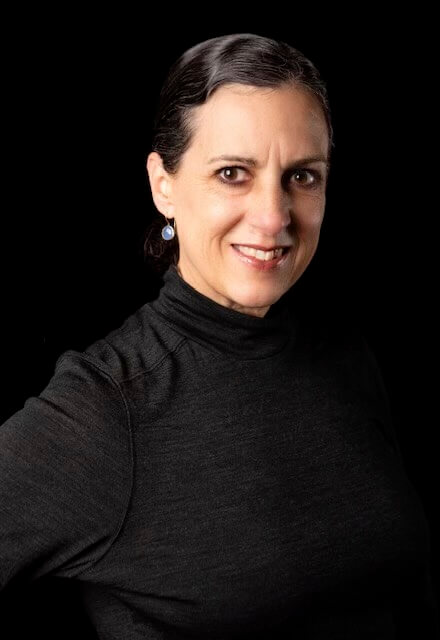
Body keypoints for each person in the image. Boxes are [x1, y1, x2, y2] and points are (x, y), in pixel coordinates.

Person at [0, 32, 438, 639]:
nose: (274, 217)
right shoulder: (106, 409)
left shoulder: (343, 352)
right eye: (233, 173)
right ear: (164, 185)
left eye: (302, 176)